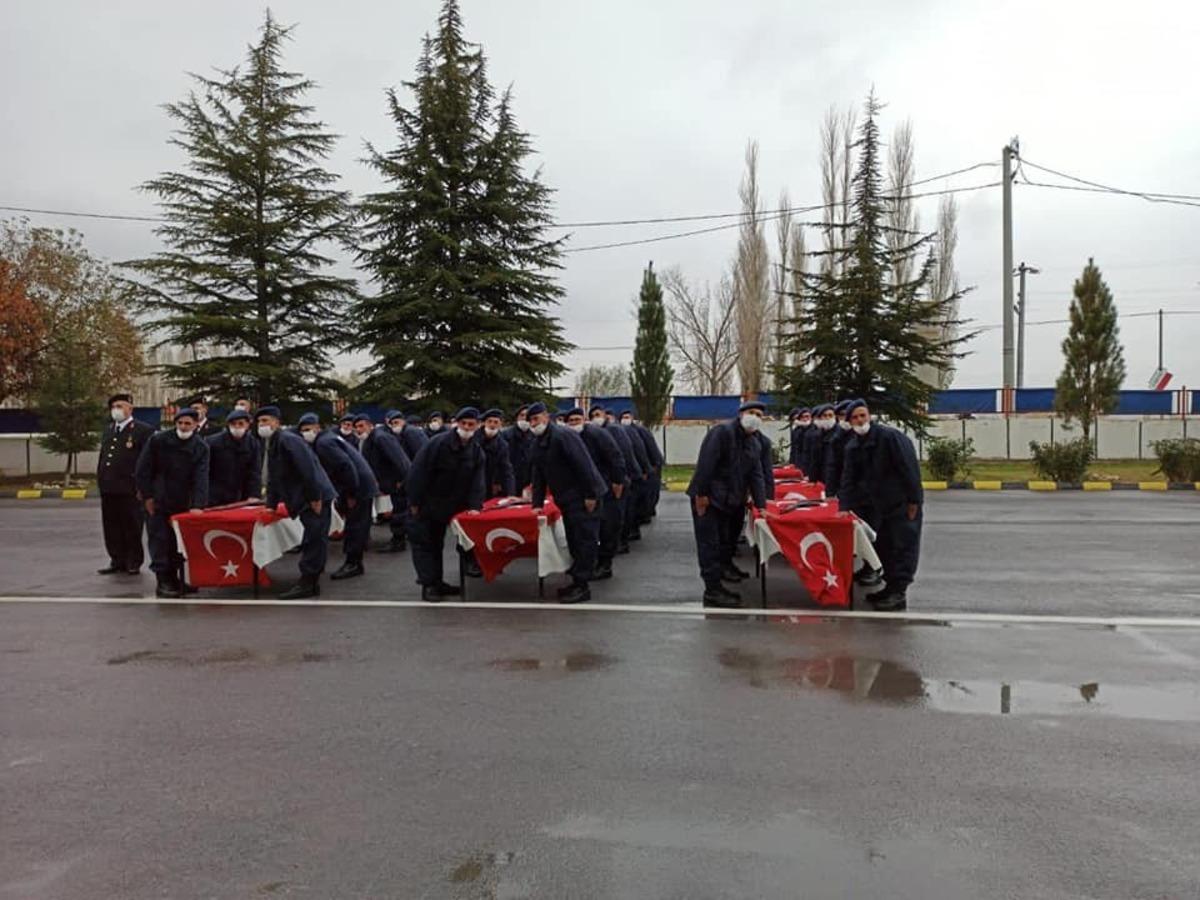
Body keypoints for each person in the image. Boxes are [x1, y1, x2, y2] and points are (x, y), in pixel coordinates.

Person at [840, 399, 924, 612]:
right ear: (849, 422)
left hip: (902, 503)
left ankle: (899, 594)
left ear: (869, 416)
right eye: (855, 418)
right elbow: (849, 479)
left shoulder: (889, 438)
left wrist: (915, 500)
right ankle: (889, 587)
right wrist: (844, 508)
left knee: (902, 547)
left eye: (862, 415)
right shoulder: (853, 446)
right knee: (884, 547)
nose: (860, 420)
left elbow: (909, 469)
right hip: (880, 506)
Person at [686, 400, 769, 608]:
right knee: (709, 546)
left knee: (723, 543)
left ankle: (719, 578)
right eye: (752, 412)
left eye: (760, 415)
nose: (755, 417)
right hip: (708, 499)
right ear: (741, 414)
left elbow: (756, 475)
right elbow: (706, 464)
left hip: (728, 501)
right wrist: (701, 494)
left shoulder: (754, 443)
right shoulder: (722, 432)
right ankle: (712, 591)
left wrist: (762, 506)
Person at [528, 402, 608, 604]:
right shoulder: (539, 441)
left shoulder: (563, 436)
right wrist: (536, 502)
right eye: (531, 420)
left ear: (546, 417)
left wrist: (591, 495)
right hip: (566, 498)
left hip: (583, 496)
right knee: (574, 541)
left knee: (585, 540)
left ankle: (583, 586)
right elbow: (538, 473)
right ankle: (576, 581)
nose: (533, 423)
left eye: (536, 419)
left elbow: (584, 465)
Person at [405, 407, 486, 603]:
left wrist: (475, 506)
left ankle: (438, 582)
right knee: (426, 544)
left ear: (477, 426)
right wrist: (414, 501)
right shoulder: (437, 444)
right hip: (427, 502)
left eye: (471, 424)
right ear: (455, 423)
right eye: (463, 423)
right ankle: (429, 585)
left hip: (452, 505)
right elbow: (418, 472)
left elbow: (478, 481)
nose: (467, 427)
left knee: (439, 544)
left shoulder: (475, 450)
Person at [257, 405, 336, 599]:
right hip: (306, 497)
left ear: (277, 422)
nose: (262, 425)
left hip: (313, 497)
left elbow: (308, 470)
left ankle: (308, 582)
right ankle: (312, 579)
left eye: (265, 421)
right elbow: (275, 477)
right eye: (259, 422)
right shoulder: (274, 442)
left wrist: (315, 497)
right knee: (313, 538)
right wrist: (271, 506)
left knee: (313, 539)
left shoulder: (288, 440)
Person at [135, 407, 210, 598]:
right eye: (180, 423)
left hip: (182, 501)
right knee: (160, 541)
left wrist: (198, 505)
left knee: (177, 542)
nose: (183, 427)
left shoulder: (200, 447)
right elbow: (143, 469)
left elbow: (201, 478)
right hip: (159, 499)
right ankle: (163, 581)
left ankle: (176, 578)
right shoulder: (158, 440)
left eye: (188, 424)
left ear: (195, 425)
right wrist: (147, 496)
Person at [299, 413, 378, 581]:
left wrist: (351, 493)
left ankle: (353, 563)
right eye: (303, 430)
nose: (306, 433)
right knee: (355, 523)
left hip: (358, 485)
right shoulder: (328, 438)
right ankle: (354, 561)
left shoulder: (324, 443)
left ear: (317, 428)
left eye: (309, 429)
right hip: (359, 482)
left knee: (355, 525)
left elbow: (345, 466)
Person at [97, 393, 154, 576]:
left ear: (130, 408)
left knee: (132, 525)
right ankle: (117, 559)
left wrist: (143, 487)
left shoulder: (143, 430)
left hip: (130, 488)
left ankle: (133, 561)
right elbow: (104, 457)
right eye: (114, 407)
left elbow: (147, 461)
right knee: (111, 526)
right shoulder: (108, 430)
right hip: (109, 487)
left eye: (121, 406)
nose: (117, 410)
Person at [566, 407, 626, 580]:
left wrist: (618, 481)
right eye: (571, 422)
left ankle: (605, 565)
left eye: (577, 420)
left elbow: (616, 457)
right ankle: (586, 564)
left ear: (584, 420)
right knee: (587, 533)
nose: (574, 424)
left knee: (608, 528)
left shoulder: (597, 434)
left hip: (606, 486)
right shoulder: (568, 438)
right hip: (584, 490)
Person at [354, 413, 411, 553]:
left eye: (361, 426)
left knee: (398, 511)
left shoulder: (381, 438)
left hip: (395, 481)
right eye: (356, 427)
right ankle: (398, 539)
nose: (359, 430)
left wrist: (402, 480)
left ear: (370, 425)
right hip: (385, 482)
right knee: (395, 511)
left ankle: (399, 541)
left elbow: (400, 460)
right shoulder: (368, 440)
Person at [592, 406, 642, 556]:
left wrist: (623, 478)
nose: (596, 418)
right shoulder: (594, 433)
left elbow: (624, 454)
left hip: (619, 479)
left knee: (619, 516)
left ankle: (621, 543)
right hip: (607, 481)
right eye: (593, 415)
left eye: (598, 414)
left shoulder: (614, 430)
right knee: (612, 517)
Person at [384, 410, 427, 552]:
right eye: (392, 423)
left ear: (403, 421)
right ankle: (403, 537)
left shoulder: (411, 433)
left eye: (397, 422)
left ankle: (400, 539)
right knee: (404, 509)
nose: (394, 426)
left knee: (403, 508)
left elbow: (420, 457)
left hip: (412, 477)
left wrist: (408, 478)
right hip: (408, 477)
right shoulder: (401, 434)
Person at [205, 409, 261, 506]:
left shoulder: (253, 444)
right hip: (214, 494)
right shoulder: (213, 442)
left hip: (240, 495)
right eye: (233, 424)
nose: (237, 427)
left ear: (247, 425)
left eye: (241, 424)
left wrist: (254, 494)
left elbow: (254, 471)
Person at [615, 408, 651, 543]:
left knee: (630, 506)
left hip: (632, 474)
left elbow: (639, 451)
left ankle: (630, 532)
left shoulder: (633, 431)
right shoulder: (618, 431)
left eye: (627, 416)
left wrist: (645, 469)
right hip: (628, 474)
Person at [478, 409, 515, 499]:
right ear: (484, 423)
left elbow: (506, 470)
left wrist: (511, 493)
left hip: (488, 484)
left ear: (500, 425)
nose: (492, 425)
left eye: (496, 422)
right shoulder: (473, 439)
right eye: (489, 421)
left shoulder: (502, 445)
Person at [501, 405, 535, 494]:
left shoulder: (535, 435)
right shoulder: (505, 435)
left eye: (527, 416)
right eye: (522, 415)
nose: (524, 418)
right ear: (517, 417)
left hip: (528, 482)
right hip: (509, 481)